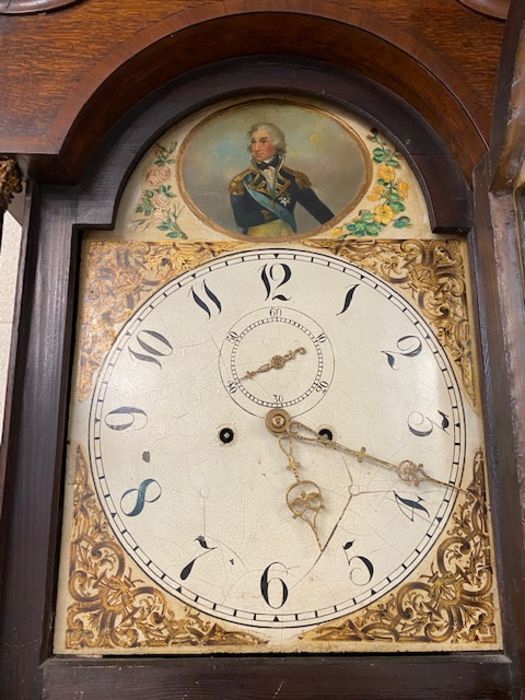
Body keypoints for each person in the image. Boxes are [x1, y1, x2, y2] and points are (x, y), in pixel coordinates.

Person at [229, 122, 334, 237]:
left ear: (276, 144)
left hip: (287, 239)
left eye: (263, 141)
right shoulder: (240, 182)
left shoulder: (295, 179)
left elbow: (319, 211)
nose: (257, 148)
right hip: (254, 242)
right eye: (253, 142)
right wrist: (274, 214)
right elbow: (241, 220)